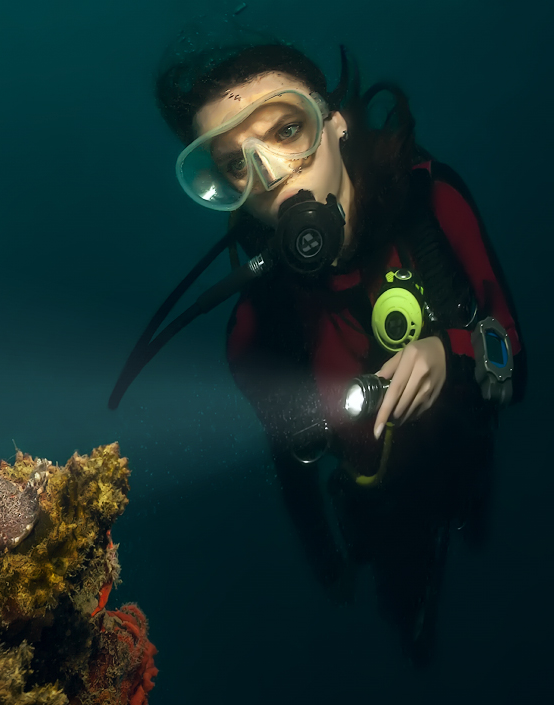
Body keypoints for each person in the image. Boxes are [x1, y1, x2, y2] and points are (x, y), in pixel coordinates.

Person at [151, 41, 526, 664]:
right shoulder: (256, 327)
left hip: (464, 447)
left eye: (287, 129)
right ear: (226, 187)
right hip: (382, 501)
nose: (273, 172)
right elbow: (290, 461)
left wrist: (452, 351)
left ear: (335, 123)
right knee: (407, 614)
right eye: (238, 163)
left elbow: (518, 360)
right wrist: (326, 561)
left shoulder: (430, 203)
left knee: (476, 514)